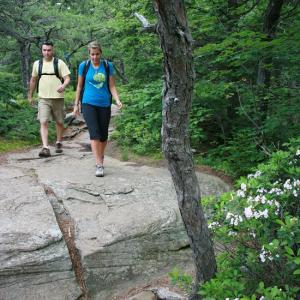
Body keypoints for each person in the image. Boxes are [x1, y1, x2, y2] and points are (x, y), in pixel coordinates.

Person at [73, 41, 122, 177]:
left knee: (103, 135)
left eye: (97, 54)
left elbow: (112, 86)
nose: (94, 57)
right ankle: (99, 164)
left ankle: (100, 156)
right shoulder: (84, 66)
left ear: (101, 53)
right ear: (89, 54)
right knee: (94, 133)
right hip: (88, 103)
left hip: (104, 103)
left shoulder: (107, 66)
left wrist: (117, 99)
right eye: (92, 54)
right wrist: (76, 105)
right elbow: (79, 86)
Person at [28, 41, 71, 157]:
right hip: (43, 98)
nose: (47, 52)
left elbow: (67, 78)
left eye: (49, 50)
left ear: (53, 50)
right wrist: (30, 95)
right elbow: (33, 80)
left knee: (60, 122)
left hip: (58, 98)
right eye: (44, 50)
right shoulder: (37, 64)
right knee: (43, 121)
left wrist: (63, 85)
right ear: (41, 51)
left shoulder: (59, 63)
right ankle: (45, 147)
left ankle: (58, 141)